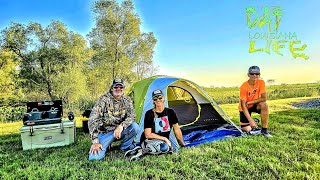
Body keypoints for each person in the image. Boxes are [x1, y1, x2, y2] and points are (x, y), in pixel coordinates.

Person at [126, 89, 185, 161]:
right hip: (149, 139)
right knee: (164, 148)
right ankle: (141, 151)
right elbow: (148, 134)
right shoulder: (149, 113)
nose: (158, 100)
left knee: (175, 150)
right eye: (155, 98)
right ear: (153, 100)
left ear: (164, 98)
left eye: (160, 97)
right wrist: (165, 139)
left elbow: (176, 129)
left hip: (162, 139)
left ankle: (139, 149)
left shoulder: (171, 112)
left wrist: (182, 143)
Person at [88, 78, 139, 160]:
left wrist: (121, 126)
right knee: (94, 157)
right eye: (116, 87)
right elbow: (93, 120)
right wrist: (95, 141)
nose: (118, 89)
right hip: (105, 133)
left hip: (119, 131)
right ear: (112, 88)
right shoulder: (103, 99)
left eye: (120, 87)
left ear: (123, 88)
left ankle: (124, 147)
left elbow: (132, 116)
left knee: (134, 126)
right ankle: (105, 144)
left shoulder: (127, 100)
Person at [238, 66, 272, 137]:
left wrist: (250, 102)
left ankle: (264, 130)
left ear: (259, 75)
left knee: (264, 105)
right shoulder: (243, 87)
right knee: (247, 129)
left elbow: (264, 98)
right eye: (252, 74)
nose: (254, 76)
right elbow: (243, 105)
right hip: (245, 107)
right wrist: (250, 120)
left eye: (257, 74)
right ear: (248, 75)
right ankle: (252, 121)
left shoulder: (261, 82)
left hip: (253, 104)